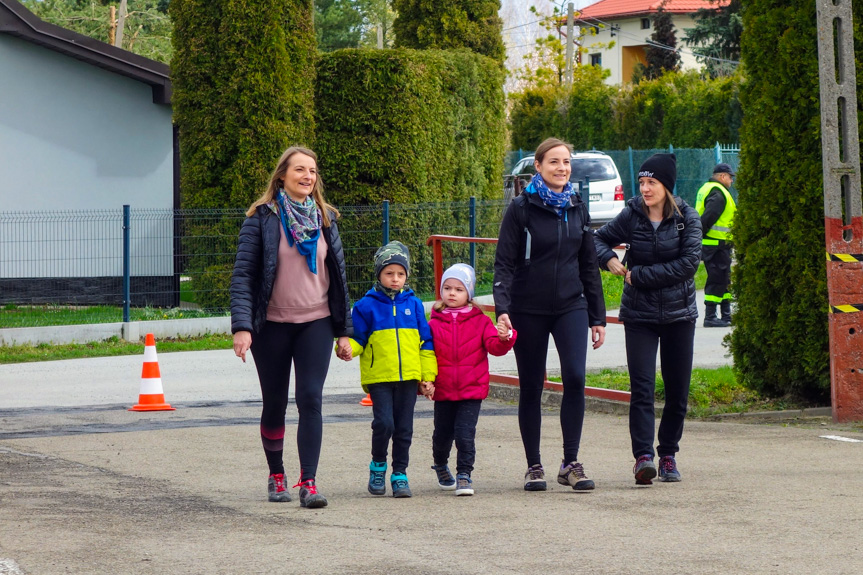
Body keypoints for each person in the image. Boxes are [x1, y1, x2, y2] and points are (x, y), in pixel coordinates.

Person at [230, 146, 353, 509]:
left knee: (311, 399)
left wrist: (343, 330)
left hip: (315, 322)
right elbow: (243, 276)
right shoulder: (261, 218)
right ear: (282, 175)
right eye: (300, 169)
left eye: (313, 171)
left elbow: (340, 277)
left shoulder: (326, 218)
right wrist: (242, 326)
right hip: (271, 326)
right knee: (275, 403)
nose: (308, 176)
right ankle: (276, 474)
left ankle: (309, 482)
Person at [493, 137, 607, 492]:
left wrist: (598, 316)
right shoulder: (521, 208)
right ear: (538, 166)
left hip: (571, 304)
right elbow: (504, 262)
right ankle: (534, 466)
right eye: (554, 162)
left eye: (567, 162)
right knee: (532, 384)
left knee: (574, 377)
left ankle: (570, 463)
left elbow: (588, 263)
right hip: (528, 308)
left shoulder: (576, 205)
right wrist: (504, 308)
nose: (562, 168)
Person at [593, 153, 702, 485]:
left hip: (679, 314)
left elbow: (688, 265)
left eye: (651, 182)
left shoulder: (687, 217)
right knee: (641, 389)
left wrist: (639, 276)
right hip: (639, 315)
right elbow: (595, 239)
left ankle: (667, 453)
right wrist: (609, 259)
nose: (645, 189)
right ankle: (643, 458)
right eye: (641, 183)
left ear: (666, 186)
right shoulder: (632, 215)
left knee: (677, 389)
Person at [340, 241, 437, 498]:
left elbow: (426, 343)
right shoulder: (364, 306)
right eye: (389, 273)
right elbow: (358, 339)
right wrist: (347, 348)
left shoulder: (415, 304)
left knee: (404, 427)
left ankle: (400, 474)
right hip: (380, 377)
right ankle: (378, 465)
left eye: (401, 274)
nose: (395, 279)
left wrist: (427, 377)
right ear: (379, 274)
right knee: (384, 423)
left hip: (408, 377)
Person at [427, 263, 517, 496]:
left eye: (458, 289)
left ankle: (464, 474)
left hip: (471, 390)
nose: (452, 293)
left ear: (469, 293)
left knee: (465, 434)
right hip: (444, 390)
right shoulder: (433, 322)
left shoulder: (481, 320)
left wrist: (505, 337)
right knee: (442, 435)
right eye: (447, 288)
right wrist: (424, 381)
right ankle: (440, 463)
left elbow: (495, 347)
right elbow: (425, 354)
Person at [695, 163, 737, 328]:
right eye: (730, 177)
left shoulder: (708, 188)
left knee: (724, 279)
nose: (731, 181)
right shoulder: (718, 193)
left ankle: (726, 315)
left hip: (718, 244)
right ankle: (711, 317)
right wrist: (700, 234)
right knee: (717, 279)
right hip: (715, 244)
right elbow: (708, 217)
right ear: (722, 176)